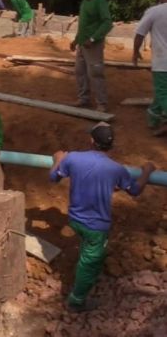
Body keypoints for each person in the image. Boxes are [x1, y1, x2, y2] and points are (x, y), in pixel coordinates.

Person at [49, 122, 155, 312]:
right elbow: (135, 190)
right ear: (111, 145)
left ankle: (82, 276)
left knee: (86, 248)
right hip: (96, 228)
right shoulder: (116, 169)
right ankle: (77, 301)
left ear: (91, 141)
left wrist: (57, 159)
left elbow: (53, 177)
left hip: (75, 219)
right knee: (89, 263)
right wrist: (146, 171)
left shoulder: (73, 158)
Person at [70, 0, 113, 112]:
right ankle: (84, 98)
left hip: (93, 45)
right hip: (83, 43)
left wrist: (93, 38)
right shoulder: (85, 0)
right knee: (80, 71)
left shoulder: (99, 0)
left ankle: (102, 103)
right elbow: (84, 24)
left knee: (96, 73)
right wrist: (76, 40)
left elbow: (107, 23)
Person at [132, 0, 167, 132]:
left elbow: (140, 33)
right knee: (162, 94)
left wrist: (135, 52)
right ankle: (153, 121)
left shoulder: (155, 11)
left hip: (162, 62)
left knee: (162, 92)